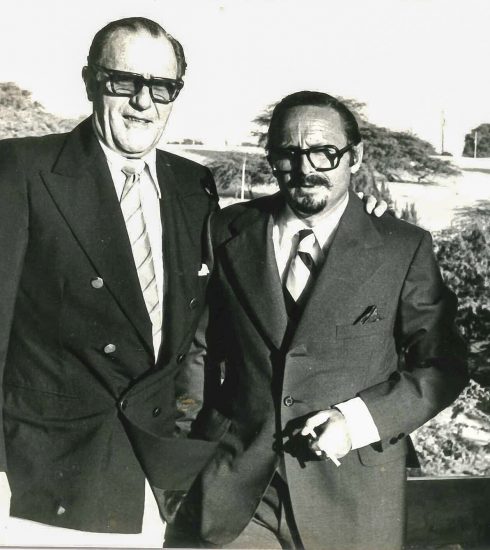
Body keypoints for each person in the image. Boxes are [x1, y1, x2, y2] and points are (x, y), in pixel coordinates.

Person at [167, 91, 468, 550]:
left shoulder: (402, 247)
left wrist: (356, 421)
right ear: (271, 158)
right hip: (235, 497)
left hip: (353, 504)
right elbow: (198, 353)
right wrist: (183, 465)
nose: (305, 168)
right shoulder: (227, 230)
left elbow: (442, 366)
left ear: (355, 156)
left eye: (324, 152)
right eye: (288, 153)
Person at [0, 17, 219, 547]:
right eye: (125, 81)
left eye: (161, 87)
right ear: (90, 82)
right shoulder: (21, 169)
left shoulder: (194, 184)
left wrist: (357, 216)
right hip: (39, 476)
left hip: (150, 474)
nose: (143, 102)